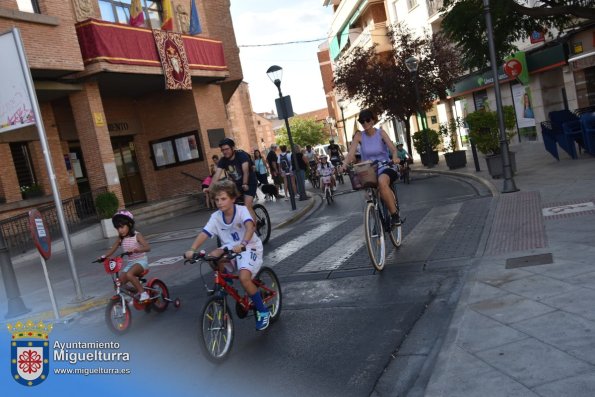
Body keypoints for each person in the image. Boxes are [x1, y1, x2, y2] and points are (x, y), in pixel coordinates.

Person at [184, 181, 270, 331]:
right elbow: (204, 233)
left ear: (233, 199)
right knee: (212, 256)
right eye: (216, 199)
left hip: (249, 246)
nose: (219, 202)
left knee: (244, 278)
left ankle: (263, 311)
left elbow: (250, 227)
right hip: (230, 247)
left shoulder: (242, 210)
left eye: (223, 199)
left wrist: (243, 243)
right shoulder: (216, 217)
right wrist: (191, 249)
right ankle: (227, 284)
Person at [342, 109, 401, 226]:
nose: (365, 123)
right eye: (362, 121)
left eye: (367, 120)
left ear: (373, 120)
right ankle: (376, 221)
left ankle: (395, 215)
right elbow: (350, 154)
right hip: (369, 170)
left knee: (382, 182)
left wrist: (395, 158)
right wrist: (344, 164)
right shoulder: (359, 136)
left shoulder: (381, 133)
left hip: (385, 166)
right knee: (368, 195)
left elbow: (393, 149)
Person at [100, 210, 151, 301]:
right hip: (130, 264)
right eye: (117, 228)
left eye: (122, 227)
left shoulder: (137, 235)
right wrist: (104, 256)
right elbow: (113, 248)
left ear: (130, 224)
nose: (120, 230)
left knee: (129, 274)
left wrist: (136, 249)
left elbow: (147, 248)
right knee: (118, 284)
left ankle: (144, 294)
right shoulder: (121, 238)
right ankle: (136, 290)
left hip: (141, 261)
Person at [212, 138, 259, 222]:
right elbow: (216, 175)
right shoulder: (223, 160)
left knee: (247, 206)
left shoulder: (241, 155)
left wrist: (245, 183)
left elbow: (246, 171)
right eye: (222, 150)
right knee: (229, 204)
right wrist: (210, 188)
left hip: (249, 182)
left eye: (227, 149)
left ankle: (253, 230)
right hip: (236, 185)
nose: (225, 152)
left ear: (232, 148)